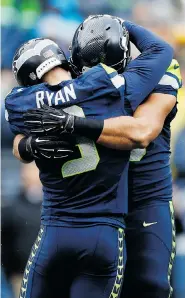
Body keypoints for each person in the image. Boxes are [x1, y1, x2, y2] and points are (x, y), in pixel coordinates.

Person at [5, 17, 174, 298]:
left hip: (144, 200)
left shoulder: (18, 101)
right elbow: (20, 140)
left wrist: (72, 125)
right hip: (105, 220)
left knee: (149, 287)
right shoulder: (105, 83)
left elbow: (142, 132)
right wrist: (27, 146)